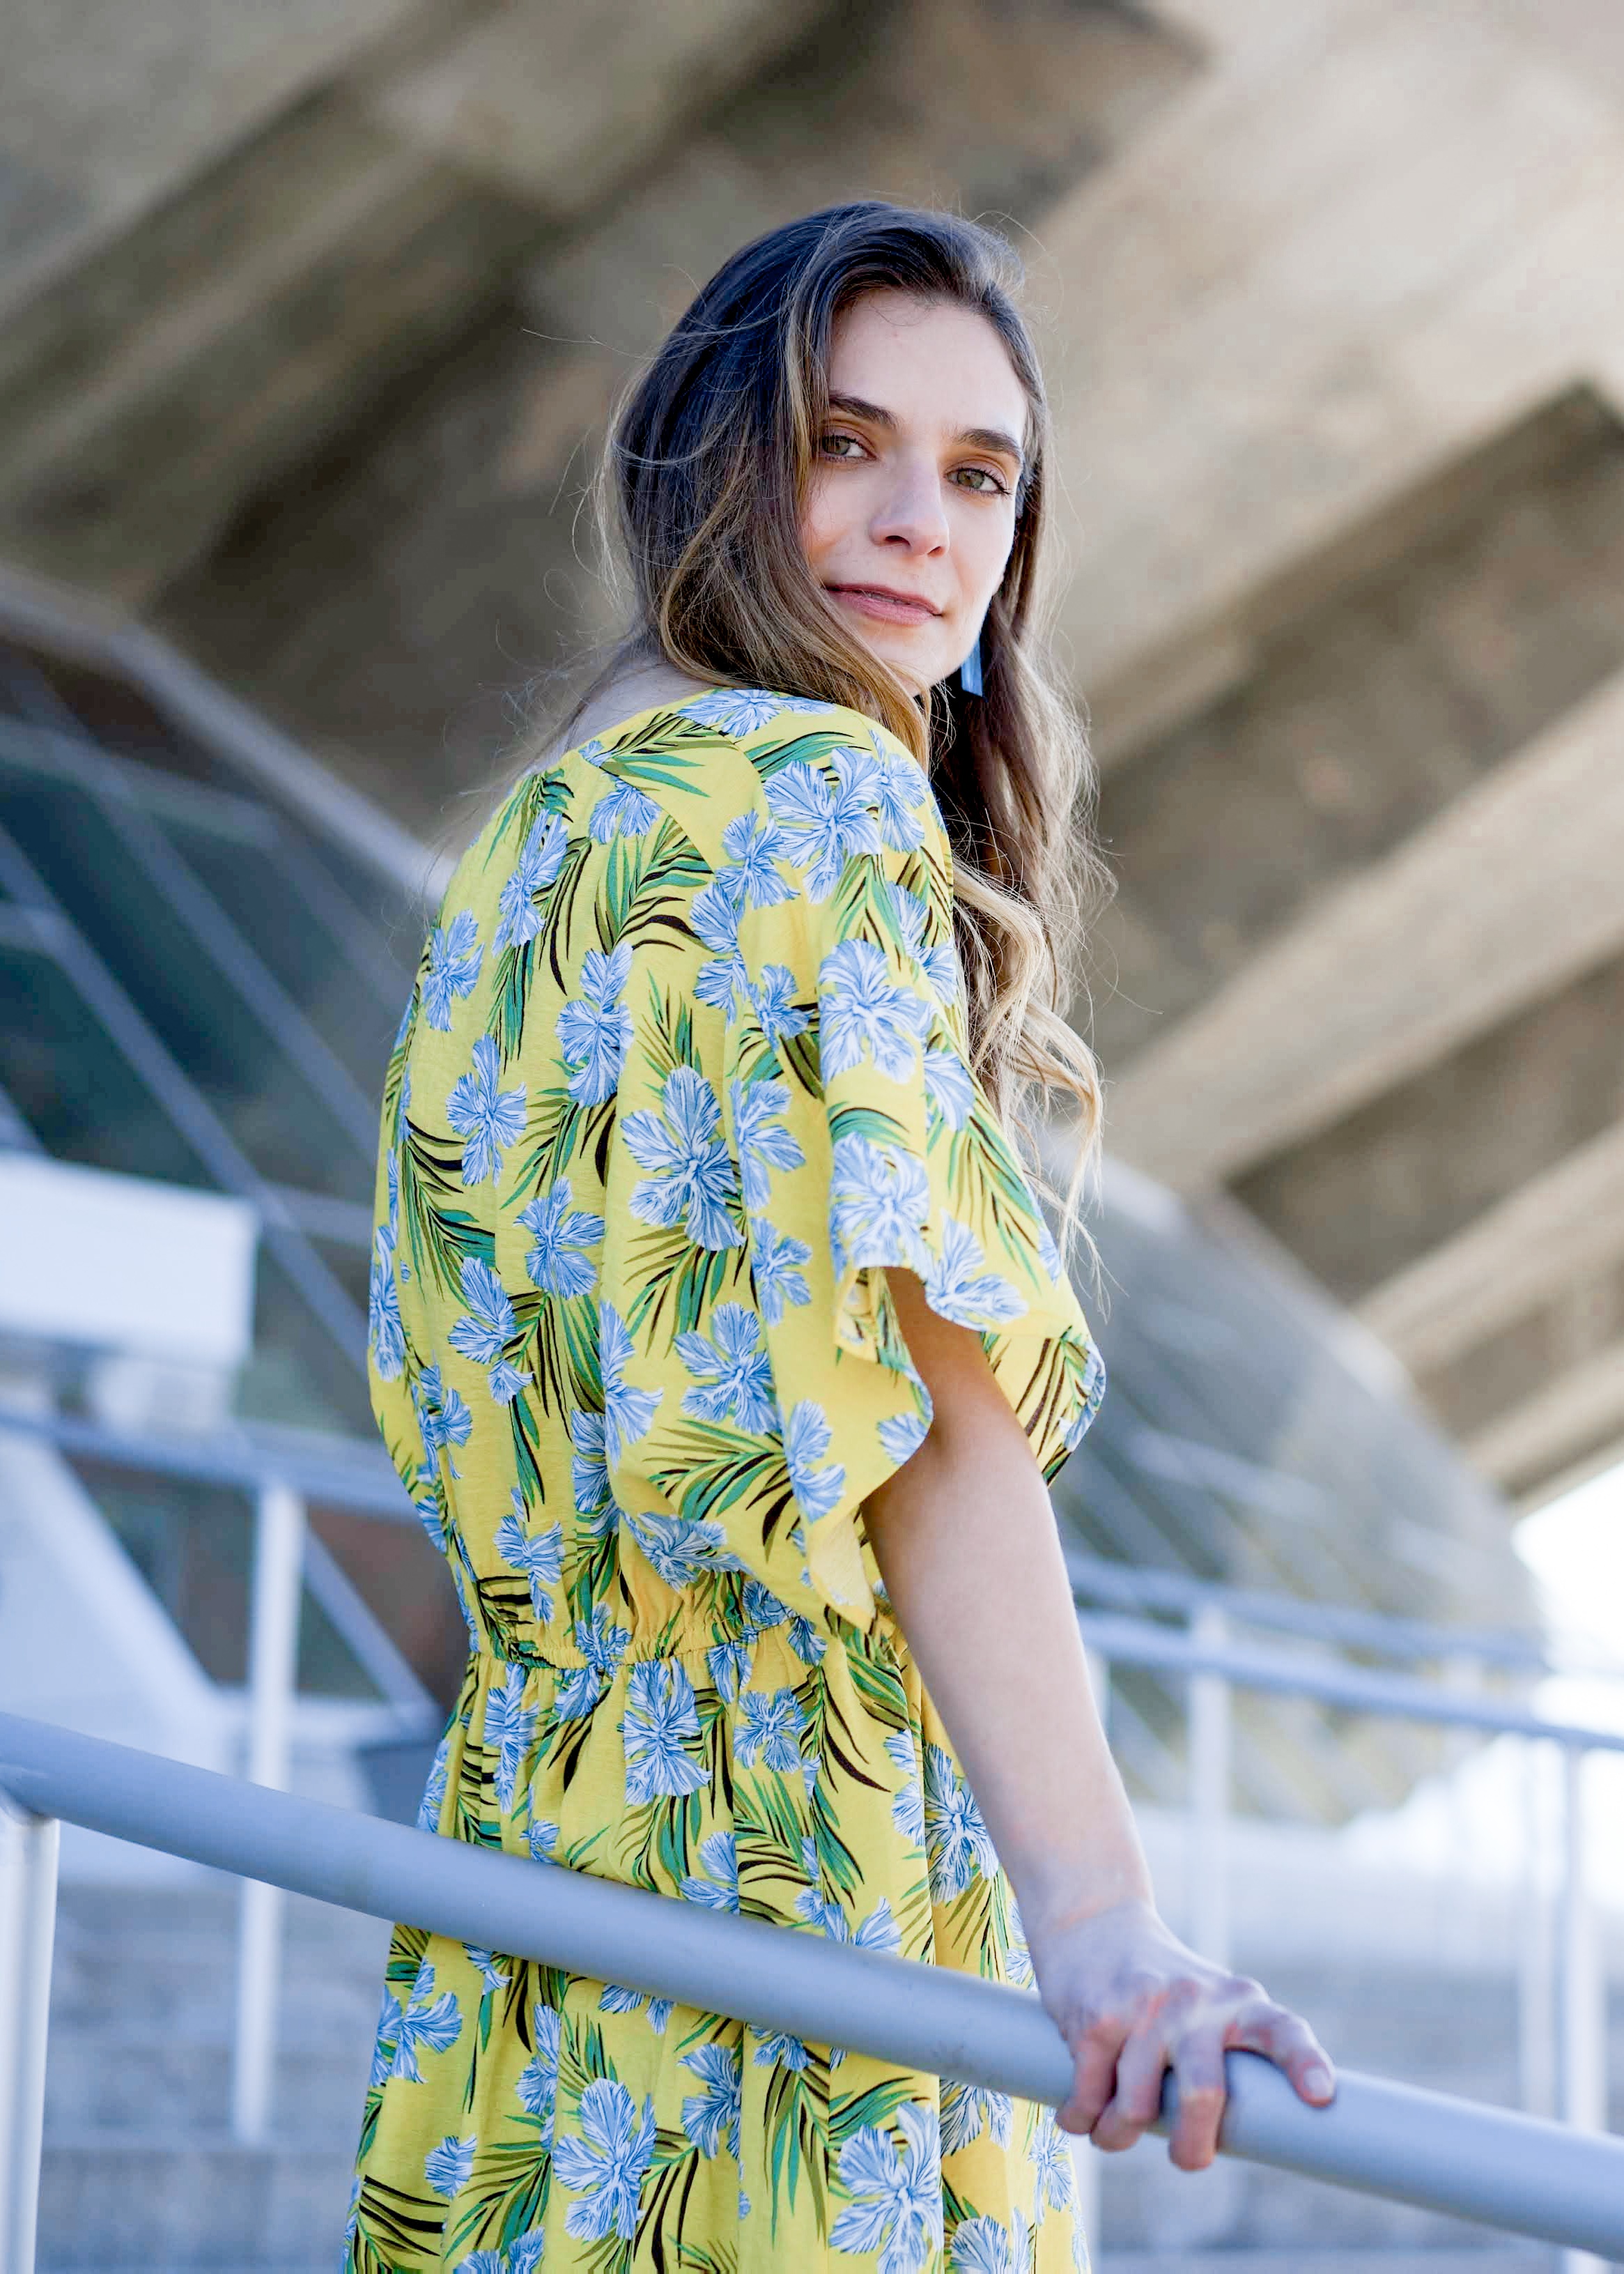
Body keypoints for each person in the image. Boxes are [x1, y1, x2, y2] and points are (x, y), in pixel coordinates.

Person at [347, 201, 1333, 2274]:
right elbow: (922, 1421)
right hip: (797, 1886)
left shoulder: (520, 845)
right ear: (712, 457)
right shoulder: (811, 799)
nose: (920, 521)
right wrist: (1097, 1923)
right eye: (842, 443)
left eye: (980, 475)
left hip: (530, 1892)